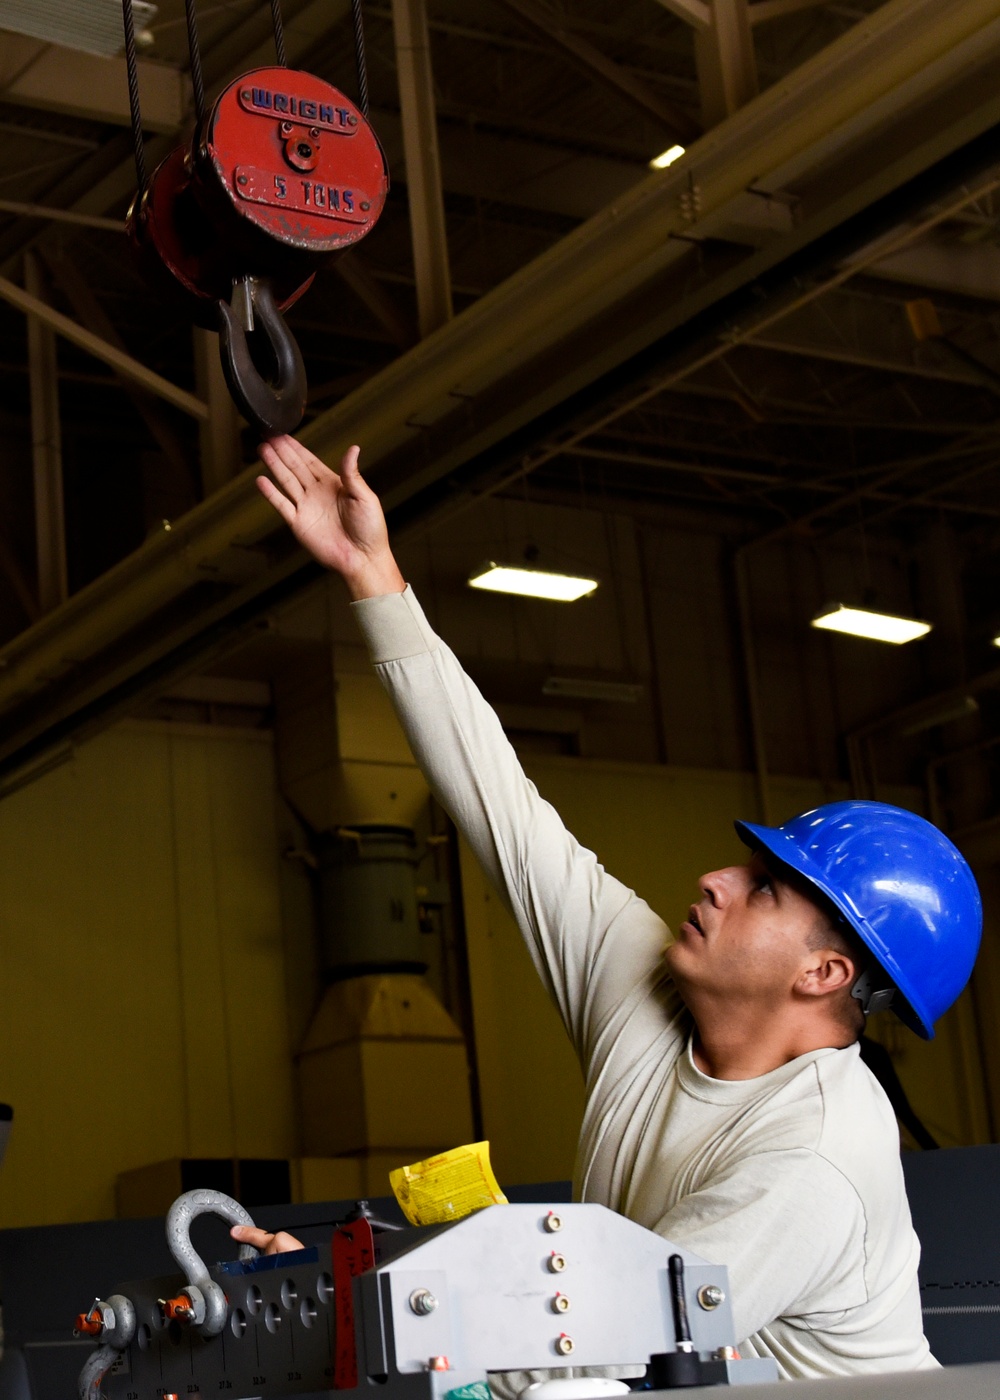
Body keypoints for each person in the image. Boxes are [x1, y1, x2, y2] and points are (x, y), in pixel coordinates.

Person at [233, 434, 982, 1380]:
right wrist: (376, 578)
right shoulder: (645, 990)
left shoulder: (819, 1151)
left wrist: (353, 1311)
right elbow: (501, 808)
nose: (715, 880)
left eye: (766, 888)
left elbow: (602, 1340)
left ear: (825, 972)